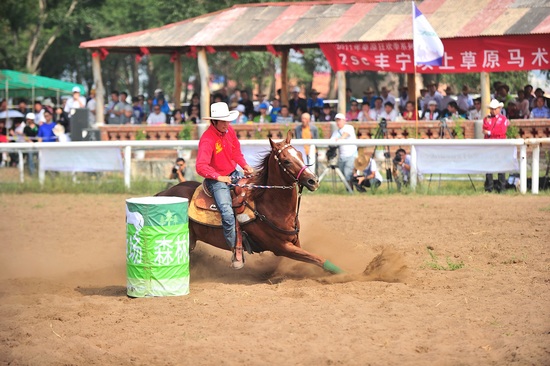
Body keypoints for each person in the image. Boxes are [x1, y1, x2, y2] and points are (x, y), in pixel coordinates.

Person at [196, 102, 254, 270]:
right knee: (227, 212)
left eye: (227, 121)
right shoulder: (207, 139)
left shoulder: (229, 131)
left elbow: (236, 152)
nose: (226, 124)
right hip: (216, 180)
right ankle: (235, 247)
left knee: (253, 197)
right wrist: (219, 177)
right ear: (213, 121)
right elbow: (201, 166)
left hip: (233, 173)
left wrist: (245, 166)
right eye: (222, 121)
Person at [483, 99, 509, 193]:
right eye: (491, 109)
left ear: (499, 109)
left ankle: (501, 187)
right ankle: (489, 187)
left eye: (495, 109)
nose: (493, 111)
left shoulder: (503, 119)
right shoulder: (486, 119)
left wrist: (490, 132)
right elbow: (485, 129)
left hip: (500, 145)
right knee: (489, 166)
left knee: (501, 166)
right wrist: (490, 132)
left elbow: (502, 131)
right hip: (489, 145)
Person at [330, 113, 357, 184]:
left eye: (339, 120)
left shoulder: (349, 127)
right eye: (337, 121)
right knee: (342, 174)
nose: (338, 122)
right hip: (342, 156)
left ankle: (350, 190)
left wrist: (338, 139)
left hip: (351, 155)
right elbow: (331, 142)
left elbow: (345, 135)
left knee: (348, 173)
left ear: (344, 121)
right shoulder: (335, 132)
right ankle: (349, 190)